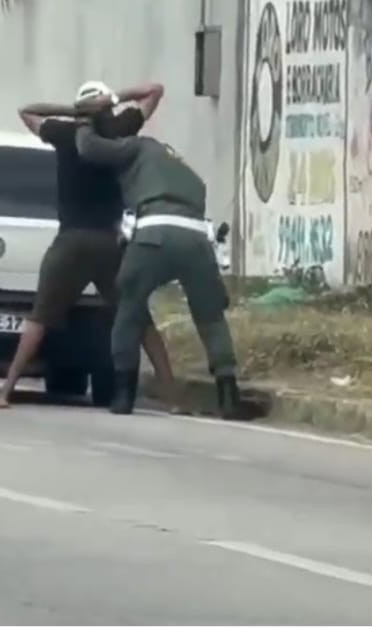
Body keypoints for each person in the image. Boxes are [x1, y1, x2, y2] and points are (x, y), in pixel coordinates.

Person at [0, 80, 188, 413]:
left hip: (71, 240)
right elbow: (155, 90)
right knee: (139, 318)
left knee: (40, 317)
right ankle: (174, 399)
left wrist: (74, 113)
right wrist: (113, 101)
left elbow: (27, 111)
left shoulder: (65, 135)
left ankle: (5, 391)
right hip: (111, 241)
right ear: (105, 106)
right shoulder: (120, 127)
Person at [73, 104, 252, 419]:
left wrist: (85, 121)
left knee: (130, 307)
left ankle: (123, 393)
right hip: (197, 238)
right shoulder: (184, 168)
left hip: (153, 233)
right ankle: (228, 393)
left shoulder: (139, 145)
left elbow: (88, 148)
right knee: (210, 317)